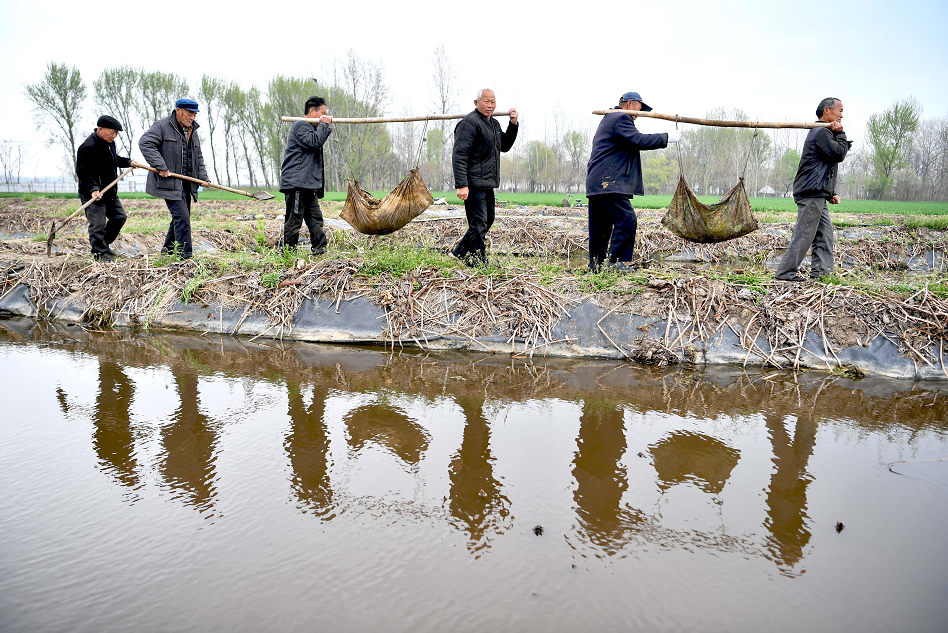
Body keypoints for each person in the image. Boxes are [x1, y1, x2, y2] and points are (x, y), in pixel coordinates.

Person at [585, 91, 680, 272]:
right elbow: (638, 140)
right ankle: (614, 262)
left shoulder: (610, 119)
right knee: (627, 217)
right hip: (609, 182)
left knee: (601, 226)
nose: (639, 113)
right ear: (630, 103)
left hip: (598, 182)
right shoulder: (621, 117)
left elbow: (630, 141)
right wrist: (667, 137)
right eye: (639, 107)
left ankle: (596, 267)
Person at [775, 97, 851, 282]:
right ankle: (785, 273)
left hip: (817, 193)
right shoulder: (820, 132)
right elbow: (839, 154)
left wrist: (830, 192)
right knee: (804, 234)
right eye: (840, 110)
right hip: (811, 193)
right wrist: (841, 134)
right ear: (827, 111)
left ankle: (821, 274)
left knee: (825, 235)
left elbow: (823, 165)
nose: (842, 115)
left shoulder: (822, 132)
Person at [451, 89, 519, 266]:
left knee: (487, 220)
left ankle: (459, 252)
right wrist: (461, 185)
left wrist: (513, 124)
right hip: (473, 184)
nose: (490, 105)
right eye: (486, 101)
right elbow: (459, 155)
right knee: (479, 223)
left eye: (493, 102)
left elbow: (504, 146)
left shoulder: (494, 124)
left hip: (487, 183)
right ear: (476, 103)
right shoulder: (469, 124)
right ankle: (478, 262)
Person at [139, 98, 211, 259]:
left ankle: (167, 251)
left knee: (180, 217)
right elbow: (145, 143)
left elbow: (198, 156)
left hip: (187, 183)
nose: (192, 117)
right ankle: (185, 256)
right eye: (190, 113)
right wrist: (160, 166)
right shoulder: (162, 126)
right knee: (182, 218)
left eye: (194, 114)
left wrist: (203, 177)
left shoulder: (193, 130)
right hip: (169, 183)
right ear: (179, 110)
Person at [76, 115, 143, 261]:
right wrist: (93, 188)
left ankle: (103, 246)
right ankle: (100, 254)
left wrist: (129, 162)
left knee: (119, 217)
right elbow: (84, 172)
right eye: (112, 132)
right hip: (93, 193)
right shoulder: (88, 147)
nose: (114, 136)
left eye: (116, 133)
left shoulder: (109, 143)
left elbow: (115, 159)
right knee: (98, 224)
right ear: (100, 129)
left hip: (109, 192)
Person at [279, 96, 332, 254]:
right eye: (322, 112)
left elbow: (317, 141)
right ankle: (288, 253)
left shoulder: (313, 129)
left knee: (316, 219)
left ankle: (320, 250)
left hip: (308, 185)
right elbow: (314, 142)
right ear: (312, 111)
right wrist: (325, 124)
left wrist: (323, 126)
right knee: (294, 220)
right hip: (297, 184)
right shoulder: (300, 126)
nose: (325, 115)